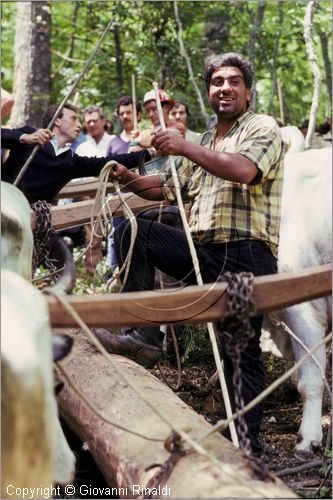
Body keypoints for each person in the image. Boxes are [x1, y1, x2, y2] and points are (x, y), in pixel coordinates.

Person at [93, 52, 285, 453]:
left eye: (234, 82)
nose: (225, 88)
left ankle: (247, 446)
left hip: (247, 254)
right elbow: (163, 188)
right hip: (203, 252)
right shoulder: (202, 142)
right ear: (209, 92)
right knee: (133, 230)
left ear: (248, 92)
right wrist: (128, 178)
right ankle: (143, 335)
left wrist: (184, 147)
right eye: (217, 82)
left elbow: (244, 170)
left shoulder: (263, 127)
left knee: (239, 349)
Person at [1, 103, 152, 204]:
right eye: (73, 119)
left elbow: (108, 162)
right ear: (58, 121)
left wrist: (151, 153)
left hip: (27, 218)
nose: (80, 125)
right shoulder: (30, 135)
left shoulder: (71, 161)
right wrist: (23, 138)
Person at [74, 106, 115, 274]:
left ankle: (116, 276)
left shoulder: (114, 141)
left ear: (103, 121)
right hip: (90, 200)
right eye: (88, 121)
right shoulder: (82, 148)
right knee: (93, 242)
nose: (91, 124)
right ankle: (93, 277)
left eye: (95, 121)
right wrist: (88, 201)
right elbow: (76, 181)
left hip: (114, 198)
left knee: (116, 239)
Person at [106, 96, 142, 274]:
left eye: (129, 112)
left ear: (139, 115)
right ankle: (114, 273)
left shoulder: (146, 137)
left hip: (142, 195)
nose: (125, 116)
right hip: (118, 196)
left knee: (139, 235)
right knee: (116, 235)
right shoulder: (113, 142)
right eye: (122, 113)